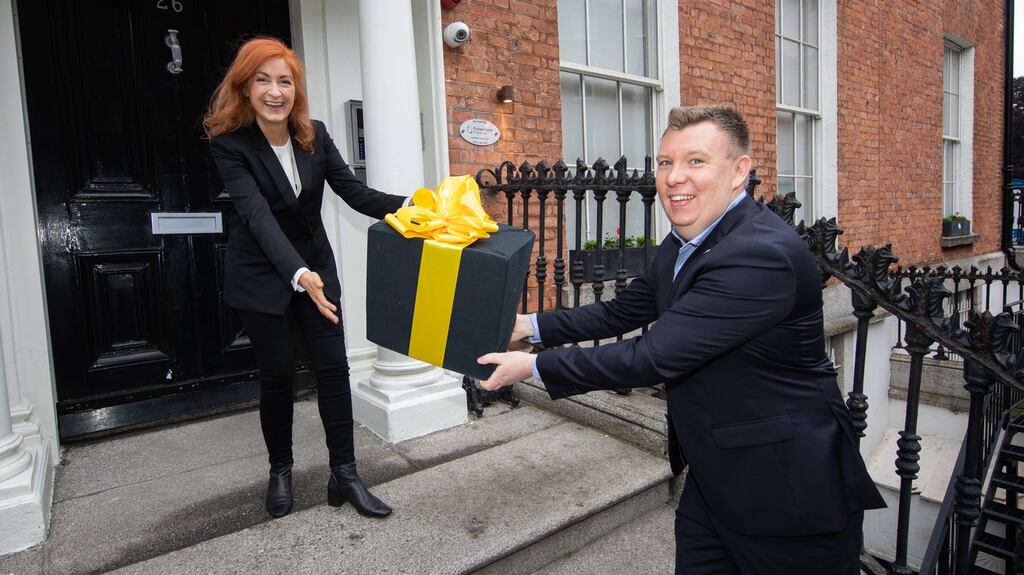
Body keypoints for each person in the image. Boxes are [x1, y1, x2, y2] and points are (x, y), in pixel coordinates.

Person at [478, 105, 885, 573]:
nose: (674, 178)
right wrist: (529, 326)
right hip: (716, 474)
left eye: (696, 161)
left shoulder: (760, 255)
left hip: (787, 489)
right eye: (666, 162)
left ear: (739, 172)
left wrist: (531, 367)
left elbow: (652, 356)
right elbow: (623, 310)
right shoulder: (686, 238)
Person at [204, 37, 401, 519]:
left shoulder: (315, 135)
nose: (275, 91)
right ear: (245, 89)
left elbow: (357, 194)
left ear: (296, 90)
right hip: (262, 275)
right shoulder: (230, 145)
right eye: (263, 81)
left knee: (335, 370)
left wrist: (416, 204)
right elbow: (256, 216)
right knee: (277, 377)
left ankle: (345, 475)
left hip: (317, 269)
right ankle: (280, 470)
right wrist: (297, 272)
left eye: (285, 81)